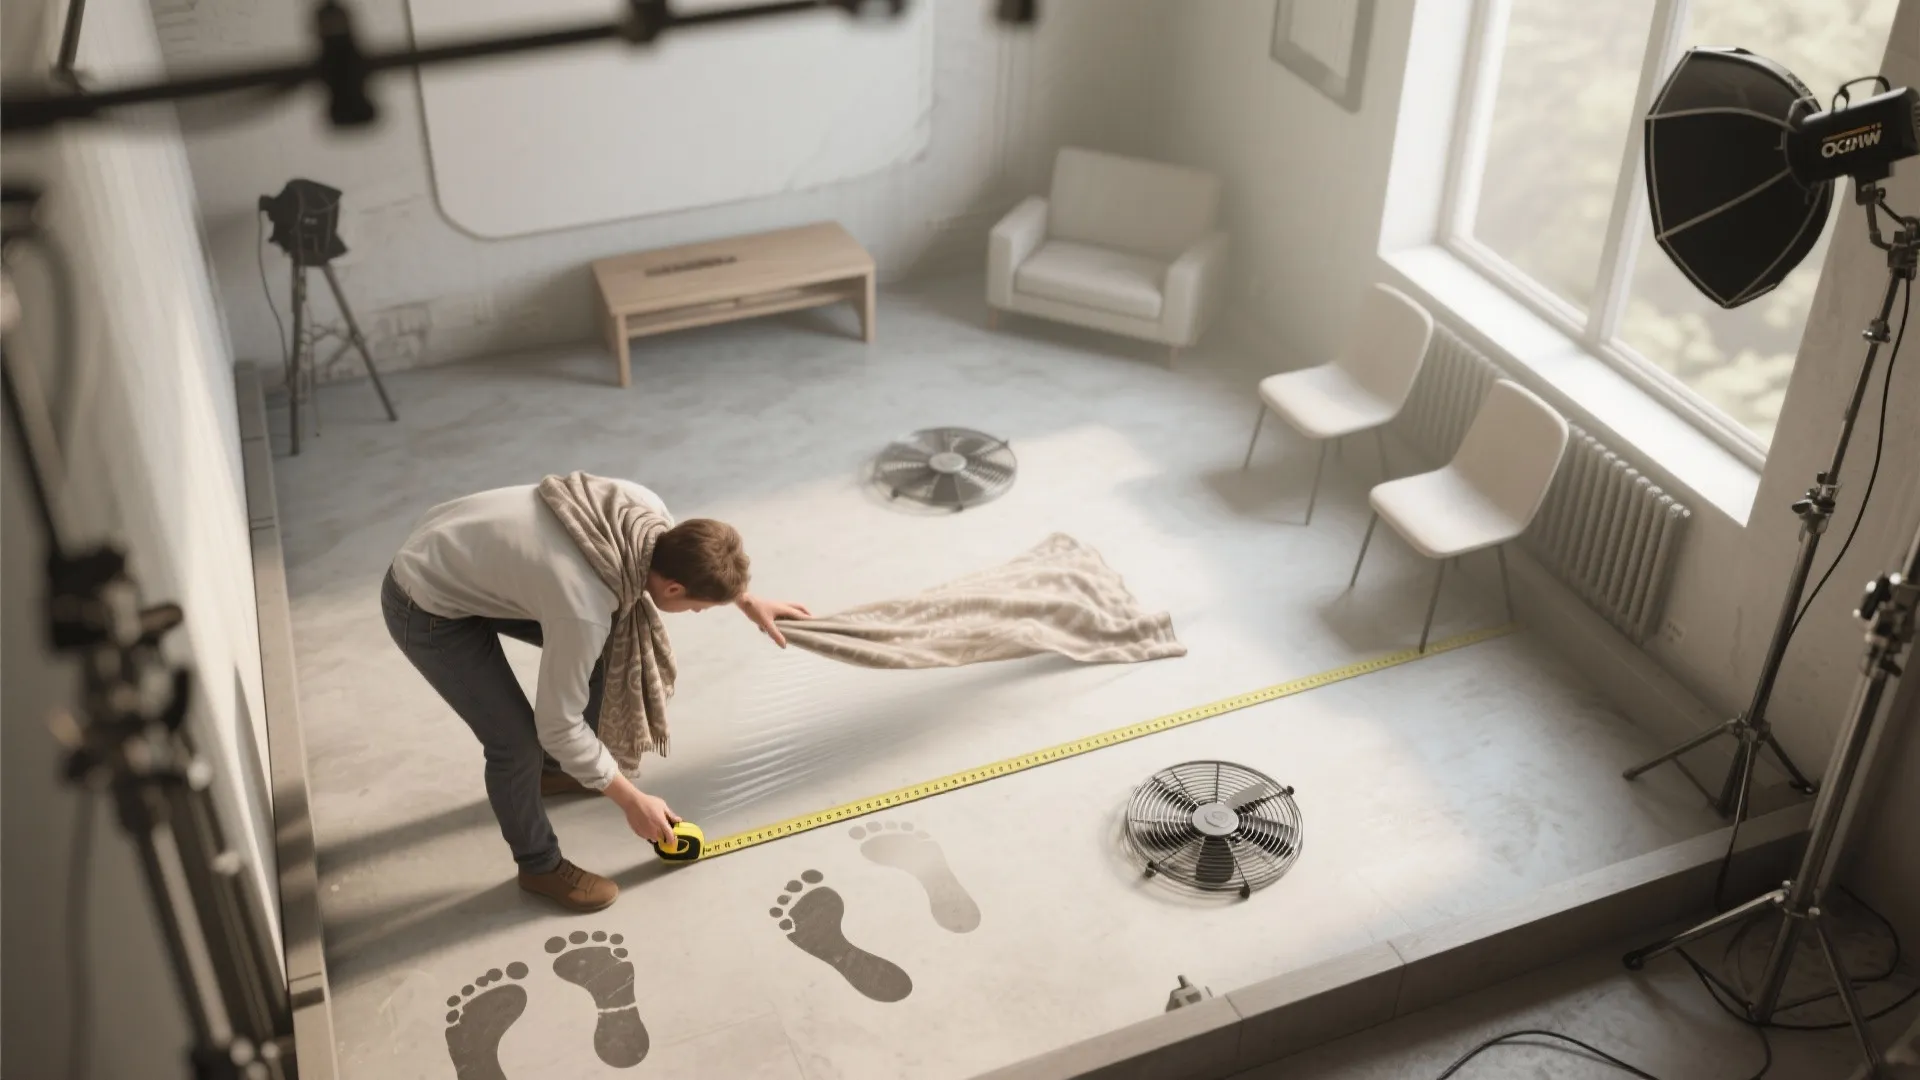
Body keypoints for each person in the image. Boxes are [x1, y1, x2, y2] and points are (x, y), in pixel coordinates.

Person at [381, 477, 809, 912]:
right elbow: (558, 725)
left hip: (468, 554)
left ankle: (555, 772)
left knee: (611, 652)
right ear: (674, 589)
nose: (699, 612)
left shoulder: (646, 512)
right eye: (701, 605)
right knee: (516, 744)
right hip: (425, 604)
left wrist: (745, 600)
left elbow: (695, 561)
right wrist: (632, 801)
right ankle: (539, 866)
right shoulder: (583, 606)